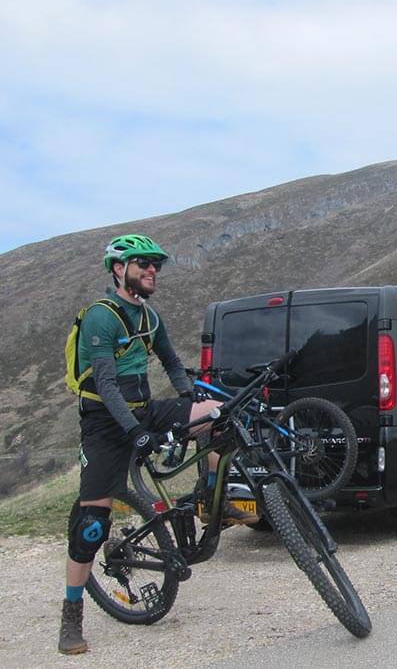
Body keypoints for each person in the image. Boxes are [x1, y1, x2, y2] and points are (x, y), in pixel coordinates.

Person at [58, 234, 257, 655]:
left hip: (144, 408)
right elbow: (107, 384)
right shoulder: (102, 316)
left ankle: (209, 494)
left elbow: (169, 361)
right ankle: (71, 615)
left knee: (220, 414)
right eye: (143, 263)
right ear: (119, 269)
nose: (152, 270)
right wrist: (135, 433)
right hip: (105, 423)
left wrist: (191, 401)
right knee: (91, 525)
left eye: (156, 265)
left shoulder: (149, 316)